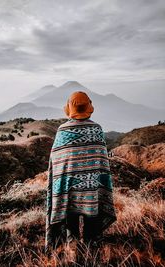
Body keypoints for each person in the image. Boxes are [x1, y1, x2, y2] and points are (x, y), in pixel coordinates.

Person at [45, 91, 117, 254]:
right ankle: (92, 254)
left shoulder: (62, 131)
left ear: (70, 108)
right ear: (88, 108)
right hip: (92, 190)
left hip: (69, 190)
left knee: (72, 227)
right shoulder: (97, 129)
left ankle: (74, 252)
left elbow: (56, 162)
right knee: (92, 227)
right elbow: (102, 161)